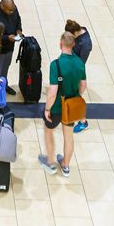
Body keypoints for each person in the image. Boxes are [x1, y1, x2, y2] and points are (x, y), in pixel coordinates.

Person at [38, 31, 88, 178]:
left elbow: (53, 92)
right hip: (71, 106)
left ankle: (51, 162)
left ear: (60, 44)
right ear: (73, 45)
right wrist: (75, 95)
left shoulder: (56, 64)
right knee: (68, 136)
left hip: (57, 107)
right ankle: (65, 165)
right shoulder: (79, 63)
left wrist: (47, 108)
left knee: (48, 131)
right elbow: (83, 86)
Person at [0, 0, 23, 94]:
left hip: (10, 46)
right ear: (2, 6)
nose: (11, 12)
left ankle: (4, 85)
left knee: (6, 66)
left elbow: (18, 19)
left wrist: (19, 30)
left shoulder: (13, 8)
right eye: (9, 10)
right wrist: (7, 38)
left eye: (13, 9)